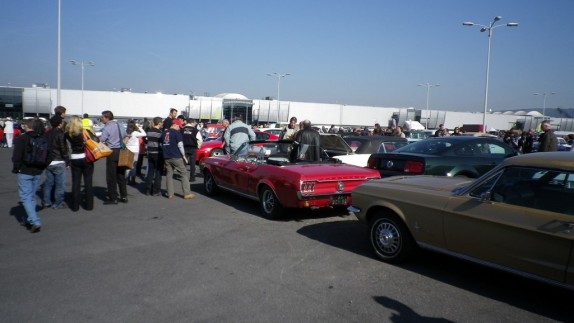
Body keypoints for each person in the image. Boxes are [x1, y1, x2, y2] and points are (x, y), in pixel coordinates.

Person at [12, 118, 47, 233]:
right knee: (31, 196)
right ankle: (29, 219)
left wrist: (17, 168)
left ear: (27, 126)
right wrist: (42, 167)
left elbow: (16, 156)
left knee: (25, 197)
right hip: (37, 170)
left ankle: (35, 220)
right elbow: (48, 154)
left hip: (25, 170)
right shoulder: (41, 138)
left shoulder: (22, 138)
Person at [65, 115, 94, 212]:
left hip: (75, 157)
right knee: (88, 182)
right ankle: (89, 205)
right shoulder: (84, 132)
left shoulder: (68, 133)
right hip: (86, 157)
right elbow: (94, 140)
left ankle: (75, 206)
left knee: (76, 182)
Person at [99, 110, 128, 204]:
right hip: (121, 150)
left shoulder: (107, 127)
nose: (101, 118)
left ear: (107, 117)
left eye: (102, 117)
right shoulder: (119, 125)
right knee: (121, 175)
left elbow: (102, 139)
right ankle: (124, 196)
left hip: (112, 151)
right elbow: (125, 136)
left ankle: (113, 197)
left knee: (111, 176)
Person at [42, 115, 70, 209]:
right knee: (59, 184)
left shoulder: (47, 133)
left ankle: (46, 201)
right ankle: (58, 202)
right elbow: (63, 148)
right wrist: (67, 161)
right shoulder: (60, 133)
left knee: (48, 183)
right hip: (59, 160)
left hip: (49, 160)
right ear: (60, 123)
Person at [162, 122, 194, 199]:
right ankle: (186, 193)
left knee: (169, 174)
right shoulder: (177, 133)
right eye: (179, 126)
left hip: (166, 156)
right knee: (183, 173)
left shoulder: (164, 133)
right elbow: (180, 145)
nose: (179, 128)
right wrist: (183, 156)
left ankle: (170, 194)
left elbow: (161, 144)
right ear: (175, 125)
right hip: (176, 156)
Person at [145, 117, 164, 196]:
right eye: (162, 122)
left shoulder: (149, 131)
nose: (162, 124)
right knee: (158, 172)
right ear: (159, 123)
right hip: (158, 153)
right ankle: (156, 190)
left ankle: (148, 190)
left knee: (150, 171)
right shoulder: (160, 132)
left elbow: (146, 140)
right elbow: (162, 143)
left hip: (150, 153)